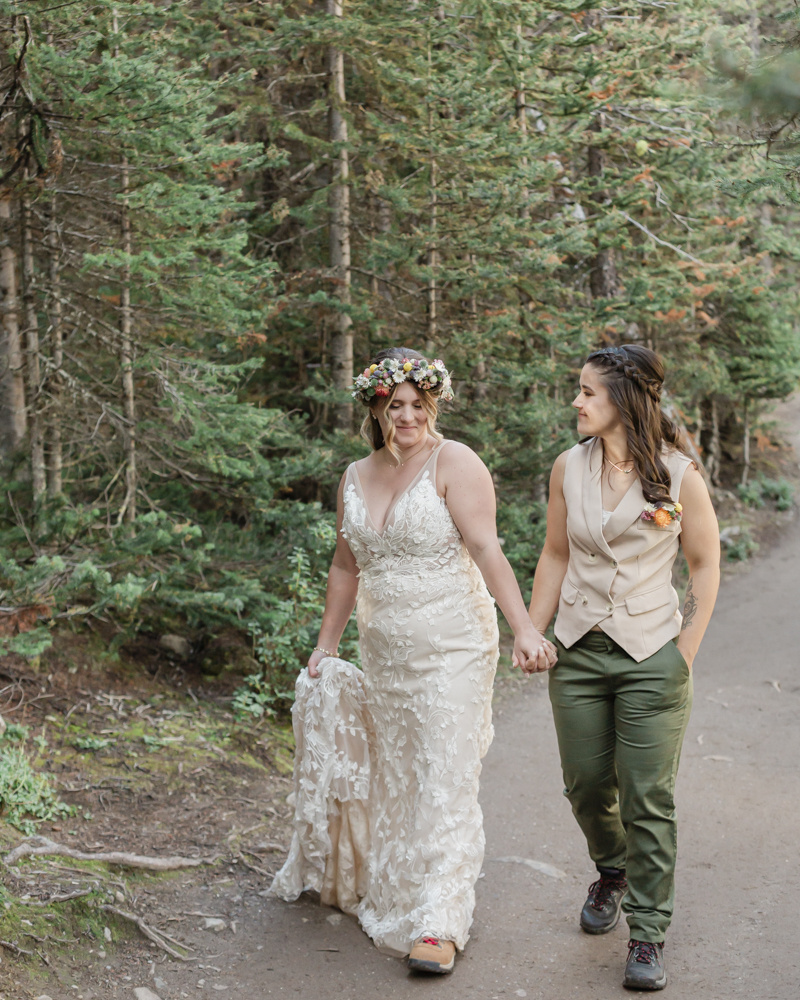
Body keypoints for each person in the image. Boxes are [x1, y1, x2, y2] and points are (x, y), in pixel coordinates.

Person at [271, 347, 556, 973]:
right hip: (386, 651)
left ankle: (440, 918)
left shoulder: (455, 462)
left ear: (433, 404)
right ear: (375, 407)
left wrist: (526, 630)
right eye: (394, 404)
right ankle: (398, 890)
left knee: (444, 772)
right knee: (400, 774)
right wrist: (326, 645)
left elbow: (487, 549)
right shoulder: (354, 475)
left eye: (417, 404)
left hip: (454, 641)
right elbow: (346, 567)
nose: (407, 416)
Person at [527, 345, 719, 991]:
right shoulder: (567, 467)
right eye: (578, 390)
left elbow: (705, 565)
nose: (576, 402)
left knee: (648, 796)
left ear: (624, 400)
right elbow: (555, 553)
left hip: (651, 653)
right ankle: (612, 869)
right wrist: (531, 628)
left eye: (588, 392)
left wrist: (685, 649)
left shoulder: (678, 474)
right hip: (579, 650)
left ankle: (647, 930)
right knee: (585, 785)